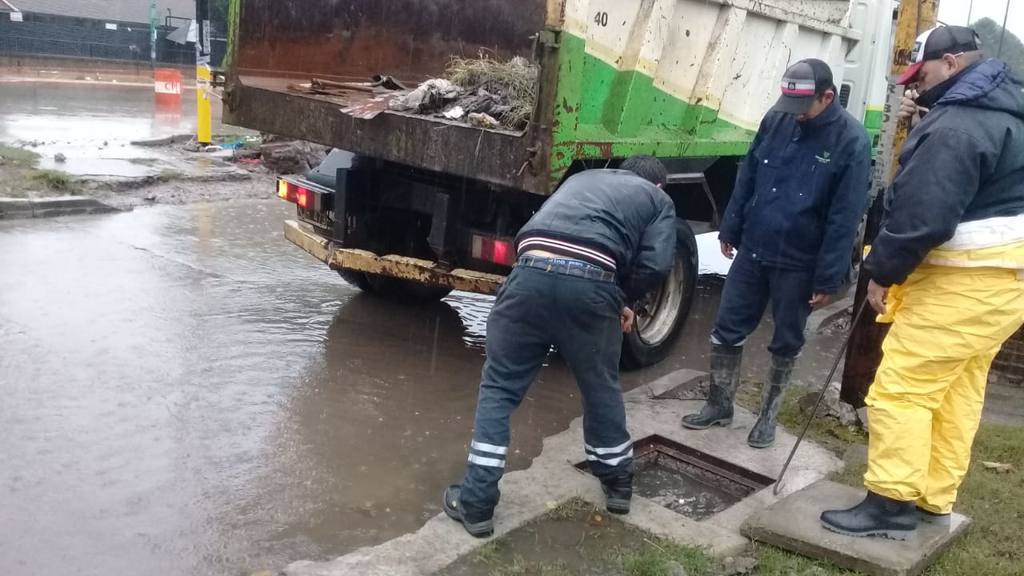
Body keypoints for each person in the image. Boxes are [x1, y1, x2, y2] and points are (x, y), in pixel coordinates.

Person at [822, 25, 1024, 540]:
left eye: (924, 73)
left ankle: (889, 504)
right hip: (1004, 281)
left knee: (900, 390)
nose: (916, 85)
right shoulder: (1006, 112)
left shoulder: (958, 127)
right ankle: (934, 498)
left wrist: (883, 272)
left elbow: (923, 217)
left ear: (953, 64)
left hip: (965, 281)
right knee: (957, 389)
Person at [441, 156, 676, 538]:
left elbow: (529, 233)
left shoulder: (581, 178)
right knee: (600, 388)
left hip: (528, 275)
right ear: (658, 185)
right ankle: (618, 486)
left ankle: (477, 504)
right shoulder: (657, 199)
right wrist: (621, 299)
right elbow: (656, 264)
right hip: (592, 287)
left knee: (499, 390)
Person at [681, 59, 871, 448]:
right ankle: (719, 404)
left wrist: (828, 277)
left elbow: (844, 216)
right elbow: (748, 173)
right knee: (727, 328)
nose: (795, 116)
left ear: (827, 97)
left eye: (804, 108)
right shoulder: (778, 120)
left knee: (786, 340)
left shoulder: (851, 141)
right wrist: (731, 227)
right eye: (789, 106)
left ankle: (767, 417)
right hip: (755, 249)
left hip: (800, 261)